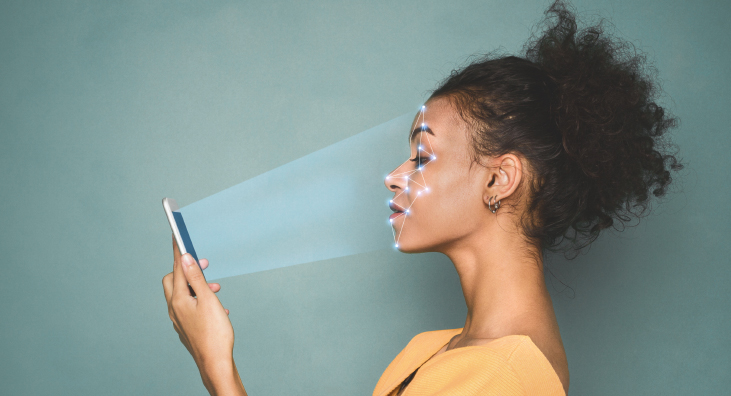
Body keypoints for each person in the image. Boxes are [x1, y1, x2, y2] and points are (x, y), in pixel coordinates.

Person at [161, 1, 683, 394]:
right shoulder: (433, 350)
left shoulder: (503, 379)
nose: (393, 176)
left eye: (422, 156)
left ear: (500, 180)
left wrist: (216, 367)